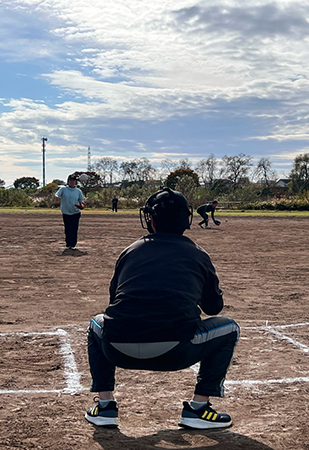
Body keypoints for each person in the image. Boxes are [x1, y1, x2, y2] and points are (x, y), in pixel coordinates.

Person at [85, 188, 239, 429]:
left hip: (116, 347)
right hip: (176, 352)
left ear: (151, 219)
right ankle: (198, 408)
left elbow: (114, 298)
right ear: (185, 220)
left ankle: (105, 406)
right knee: (229, 328)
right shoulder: (198, 254)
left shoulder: (131, 250)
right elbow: (214, 309)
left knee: (96, 322)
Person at [55, 174, 85, 250]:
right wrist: (57, 197)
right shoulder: (63, 189)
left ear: (75, 182)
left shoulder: (78, 191)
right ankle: (68, 243)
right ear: (68, 181)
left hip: (75, 212)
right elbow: (57, 194)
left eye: (73, 180)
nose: (72, 182)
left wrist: (81, 205)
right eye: (70, 180)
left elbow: (81, 201)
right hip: (66, 212)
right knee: (67, 228)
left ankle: (73, 244)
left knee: (73, 228)